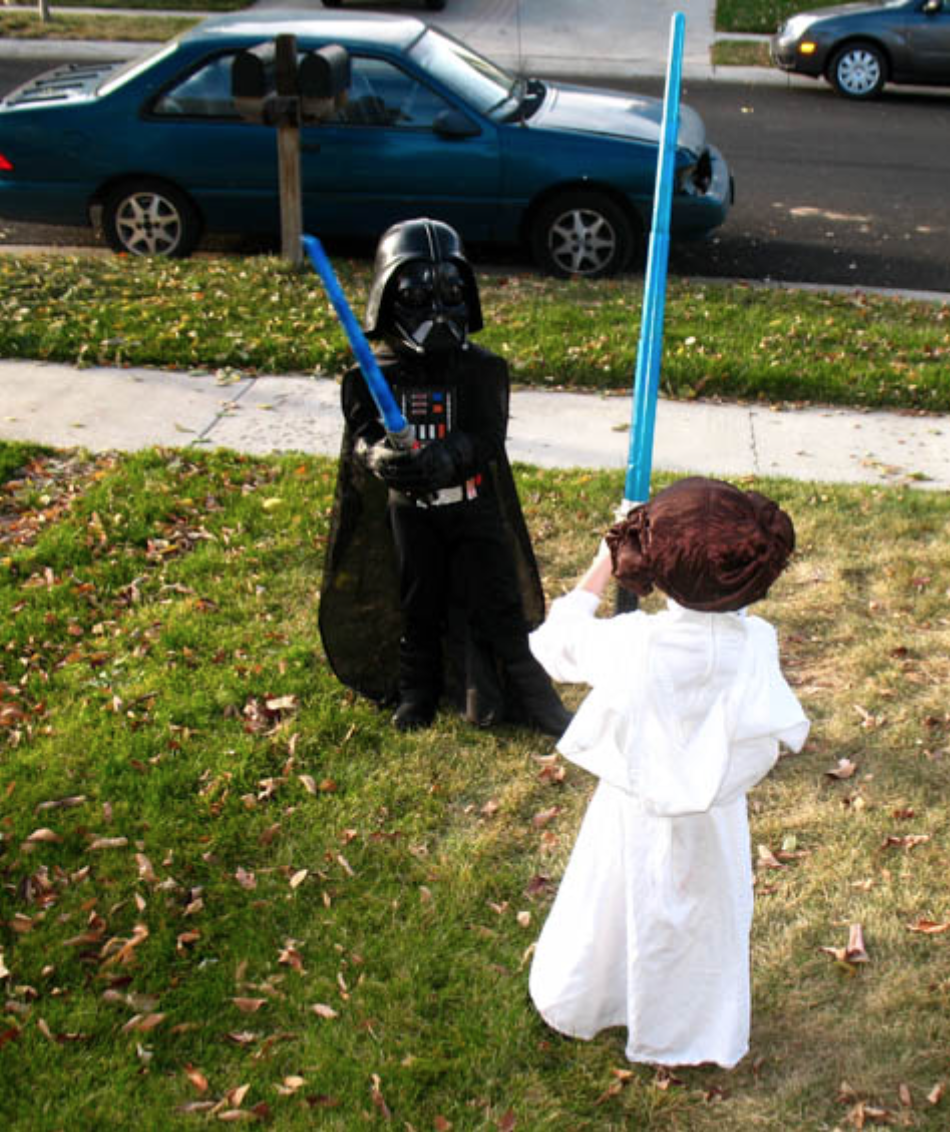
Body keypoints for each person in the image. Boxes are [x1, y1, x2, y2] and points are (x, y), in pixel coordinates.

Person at [526, 477, 810, 1069]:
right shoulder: (756, 644)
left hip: (629, 809)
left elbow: (556, 643)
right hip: (713, 822)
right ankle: (693, 1021)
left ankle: (593, 997)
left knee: (611, 899)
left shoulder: (635, 643)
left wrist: (605, 558)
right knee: (703, 911)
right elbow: (721, 612)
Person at [317, 218, 572, 737]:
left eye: (451, 294)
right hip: (411, 513)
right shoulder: (371, 377)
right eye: (417, 295)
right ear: (389, 296)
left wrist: (449, 456)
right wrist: (380, 457)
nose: (437, 310)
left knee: (501, 603)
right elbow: (362, 435)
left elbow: (487, 435)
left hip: (472, 504)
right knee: (419, 603)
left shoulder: (481, 370)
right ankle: (418, 692)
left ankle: (534, 696)